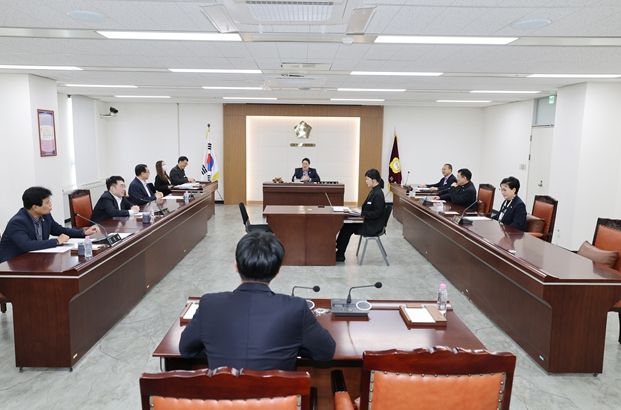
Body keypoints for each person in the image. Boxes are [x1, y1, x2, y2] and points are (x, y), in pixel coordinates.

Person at [179, 231, 336, 370]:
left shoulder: (209, 304)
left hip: (223, 394)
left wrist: (215, 347)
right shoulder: (296, 308)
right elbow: (326, 352)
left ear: (236, 266)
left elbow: (186, 350)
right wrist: (292, 347)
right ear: (278, 271)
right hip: (276, 395)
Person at [0, 187, 99, 263]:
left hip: (35, 259)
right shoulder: (18, 222)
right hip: (13, 264)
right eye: (47, 202)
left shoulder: (45, 215)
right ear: (35, 207)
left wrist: (83, 232)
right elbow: (27, 245)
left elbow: (58, 229)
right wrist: (56, 241)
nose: (50, 205)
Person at [335, 169, 386, 262]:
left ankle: (340, 254)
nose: (366, 181)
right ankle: (339, 251)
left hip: (372, 226)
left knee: (348, 226)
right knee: (346, 225)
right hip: (368, 221)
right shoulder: (374, 191)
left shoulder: (378, 194)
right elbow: (367, 208)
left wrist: (361, 213)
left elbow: (376, 213)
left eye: (367, 179)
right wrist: (358, 212)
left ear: (374, 180)